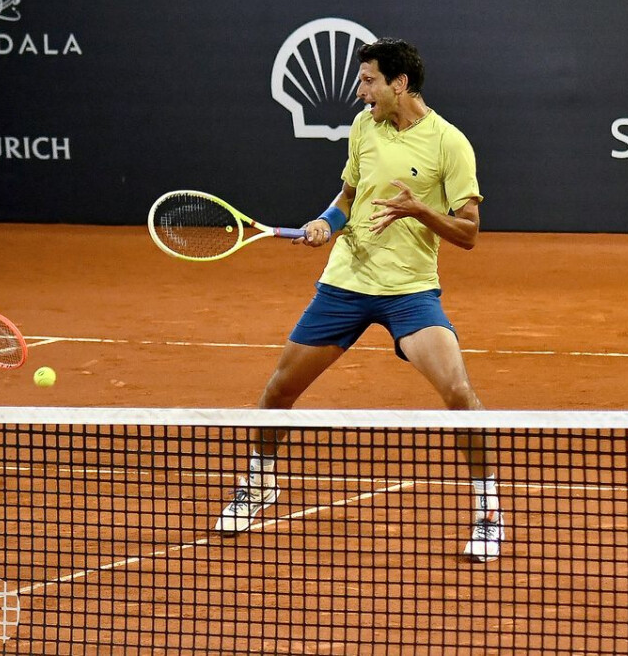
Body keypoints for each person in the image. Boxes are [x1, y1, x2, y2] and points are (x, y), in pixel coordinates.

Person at [214, 38, 504, 562]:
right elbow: (348, 197)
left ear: (400, 84)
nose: (359, 90)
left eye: (369, 80)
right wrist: (326, 224)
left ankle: (488, 513)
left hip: (410, 292)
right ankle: (259, 485)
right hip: (345, 284)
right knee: (278, 391)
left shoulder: (449, 144)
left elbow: (469, 233)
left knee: (460, 393)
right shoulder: (364, 127)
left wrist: (418, 211)